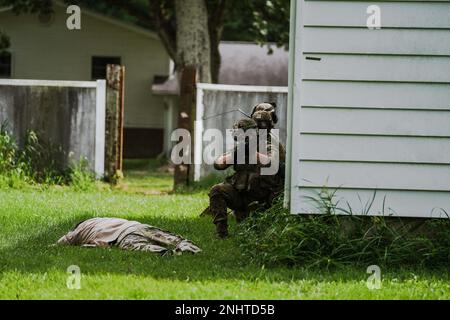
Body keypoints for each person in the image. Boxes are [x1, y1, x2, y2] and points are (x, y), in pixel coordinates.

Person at [206, 103, 286, 238]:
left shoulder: (270, 143)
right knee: (217, 190)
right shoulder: (242, 146)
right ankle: (222, 233)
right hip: (242, 193)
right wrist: (235, 155)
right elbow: (218, 164)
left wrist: (254, 153)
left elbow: (273, 162)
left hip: (263, 197)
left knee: (256, 232)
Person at [57, 217, 201, 255]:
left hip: (123, 237)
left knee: (146, 248)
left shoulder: (77, 232)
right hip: (138, 226)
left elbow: (61, 243)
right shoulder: (102, 219)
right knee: (172, 238)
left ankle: (173, 254)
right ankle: (191, 248)